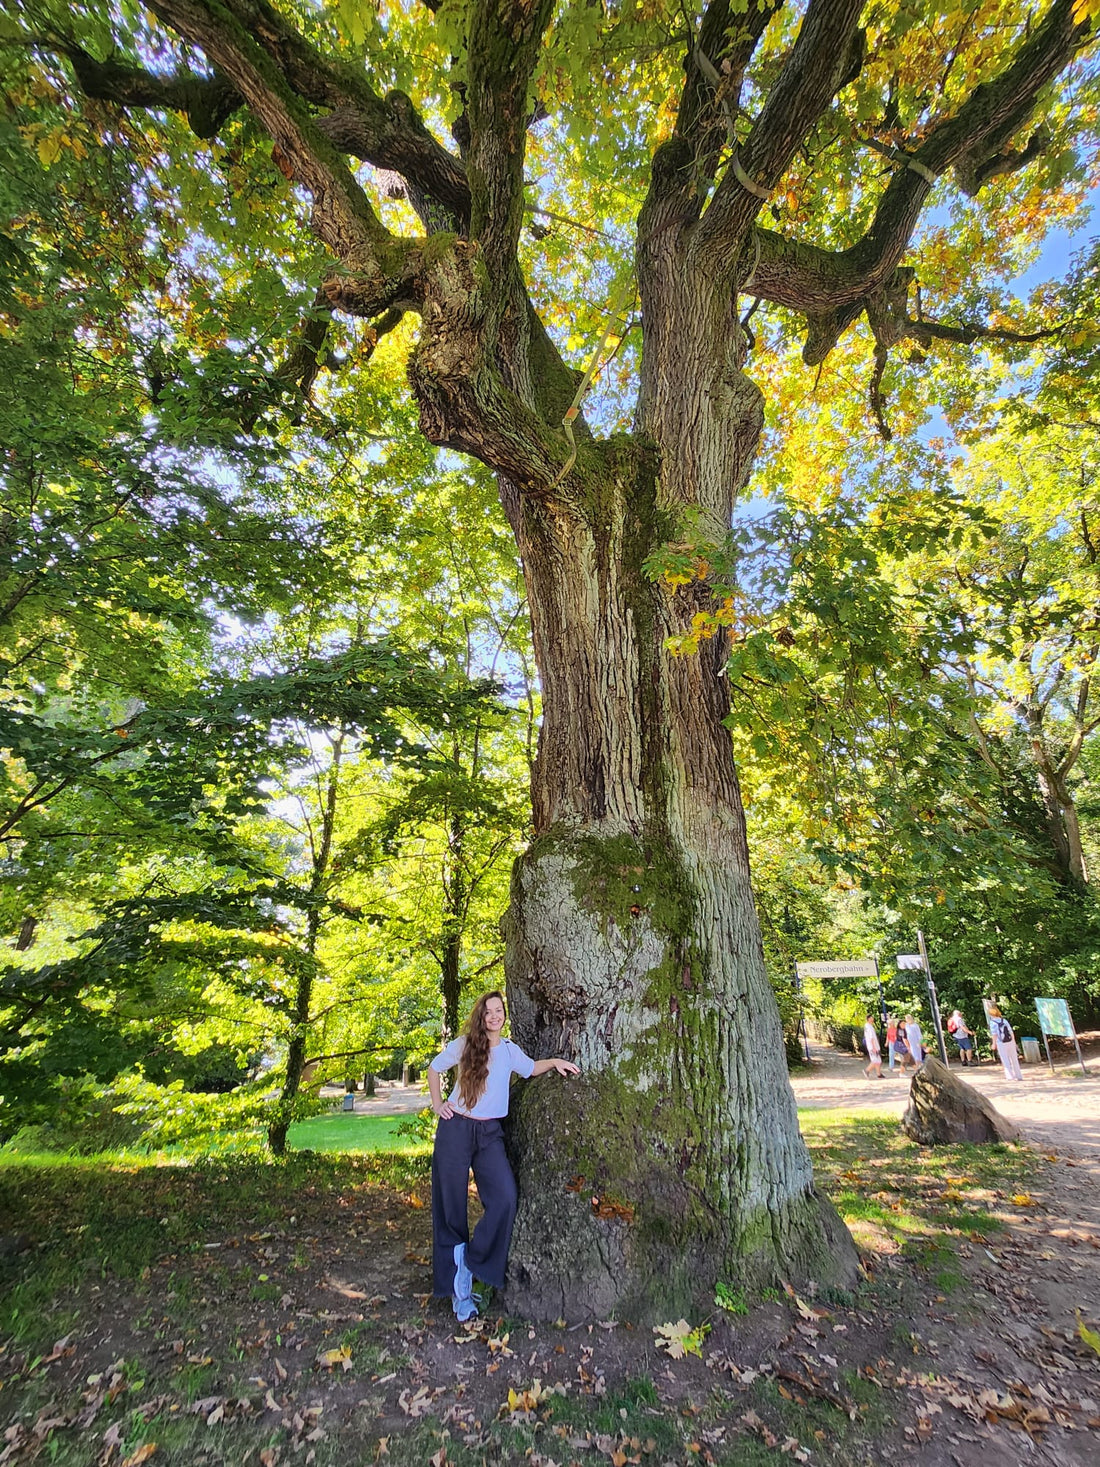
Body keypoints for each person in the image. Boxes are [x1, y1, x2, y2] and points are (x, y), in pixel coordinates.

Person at [427, 991, 579, 1322]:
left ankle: (470, 1261)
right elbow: (434, 1069)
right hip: (456, 1129)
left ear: (504, 1015)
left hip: (490, 1134)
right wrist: (438, 1104)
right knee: (450, 1207)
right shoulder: (466, 1045)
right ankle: (459, 1294)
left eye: (499, 1010)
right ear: (481, 1017)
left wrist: (555, 1062)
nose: (495, 1016)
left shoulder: (510, 1050)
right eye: (489, 1011)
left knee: (505, 1198)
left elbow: (531, 1069)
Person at [987, 1004, 1022, 1082]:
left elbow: (994, 1034)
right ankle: (1019, 1076)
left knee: (1005, 1060)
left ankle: (1010, 1077)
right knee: (1014, 1059)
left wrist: (994, 1044)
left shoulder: (992, 1022)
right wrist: (1014, 1041)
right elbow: (1011, 1031)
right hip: (1010, 1041)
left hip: (1001, 1042)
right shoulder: (1004, 1020)